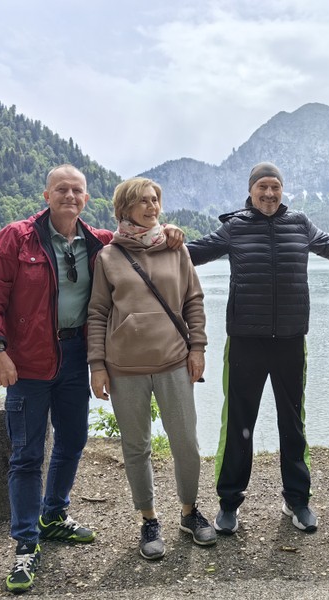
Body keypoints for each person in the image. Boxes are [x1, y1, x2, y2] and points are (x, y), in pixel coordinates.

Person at [186, 162, 329, 534]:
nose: (270, 193)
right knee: (239, 422)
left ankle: (297, 500)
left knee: (293, 422)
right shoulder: (235, 227)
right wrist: (161, 243)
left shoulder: (299, 224)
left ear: (282, 190)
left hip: (291, 340)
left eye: (275, 187)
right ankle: (229, 503)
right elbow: (195, 252)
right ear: (251, 190)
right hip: (245, 341)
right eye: (263, 187)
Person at [0, 164, 111, 593]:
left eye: (77, 190)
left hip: (75, 357)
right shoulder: (17, 237)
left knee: (73, 441)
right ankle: (26, 544)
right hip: (28, 361)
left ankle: (53, 515)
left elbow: (144, 240)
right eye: (61, 189)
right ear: (46, 196)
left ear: (86, 198)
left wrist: (170, 232)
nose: (70, 196)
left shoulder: (97, 242)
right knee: (27, 455)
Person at [86, 177, 216, 560]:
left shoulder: (176, 249)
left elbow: (193, 301)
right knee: (136, 447)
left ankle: (189, 512)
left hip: (174, 360)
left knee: (186, 443)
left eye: (155, 200)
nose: (151, 206)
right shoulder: (108, 257)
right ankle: (148, 519)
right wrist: (97, 365)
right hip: (124, 367)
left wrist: (198, 347)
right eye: (142, 201)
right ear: (125, 208)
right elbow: (97, 313)